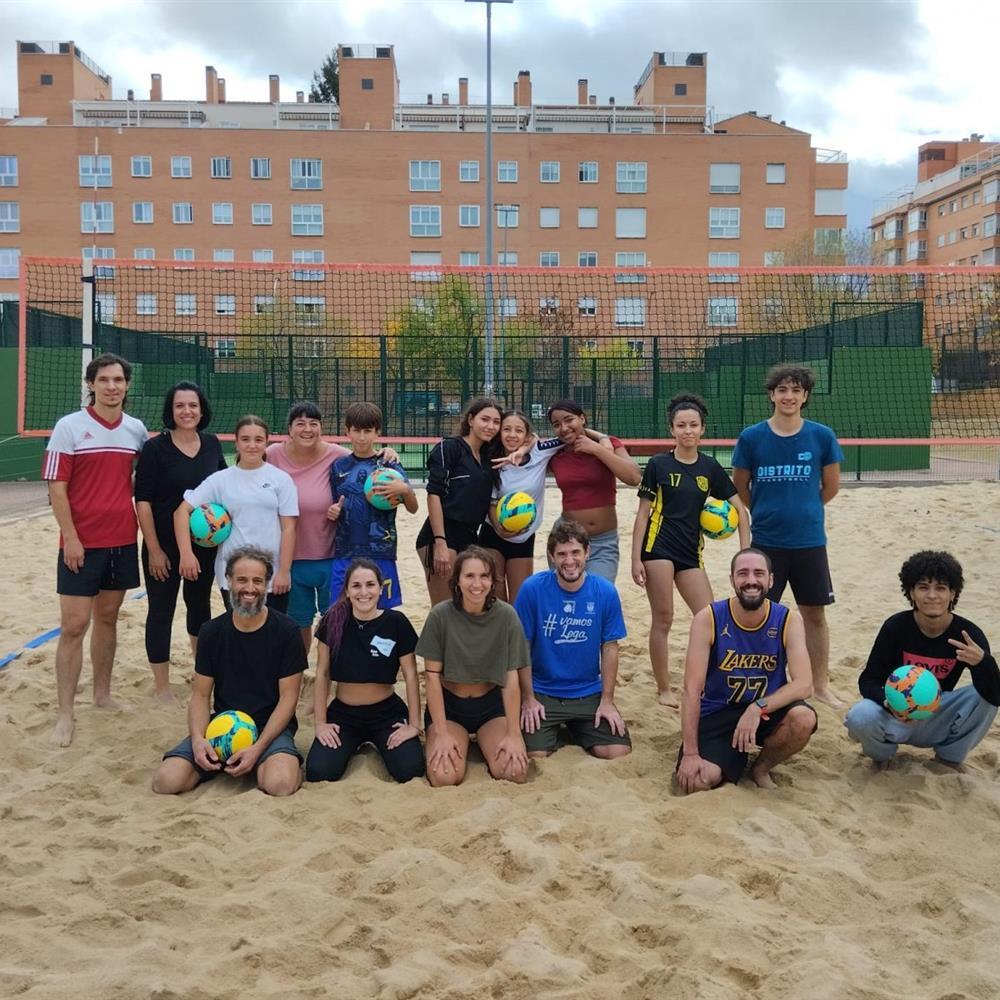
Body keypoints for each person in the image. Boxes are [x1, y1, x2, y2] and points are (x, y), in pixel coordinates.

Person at [42, 352, 148, 746]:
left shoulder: (136, 430)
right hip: (80, 543)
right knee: (73, 626)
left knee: (107, 618)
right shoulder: (69, 427)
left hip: (121, 539)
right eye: (104, 379)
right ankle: (65, 714)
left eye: (118, 380)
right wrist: (70, 537)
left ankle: (101, 695)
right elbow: (57, 488)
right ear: (91, 384)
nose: (111, 386)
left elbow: (143, 482)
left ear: (127, 385)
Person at [731, 364, 844, 708]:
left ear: (805, 396)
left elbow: (831, 487)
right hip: (766, 542)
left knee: (814, 614)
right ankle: (762, 681)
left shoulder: (821, 436)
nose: (788, 396)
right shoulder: (752, 437)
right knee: (760, 614)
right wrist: (768, 511)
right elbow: (740, 488)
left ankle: (818, 684)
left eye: (796, 390)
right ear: (771, 395)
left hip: (809, 541)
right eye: (782, 390)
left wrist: (804, 508)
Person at [151, 546, 306, 796]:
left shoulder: (286, 631)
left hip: (268, 728)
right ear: (228, 581)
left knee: (280, 785)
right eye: (241, 580)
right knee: (166, 782)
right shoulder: (211, 632)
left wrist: (258, 748)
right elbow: (201, 696)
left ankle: (271, 763)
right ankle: (218, 762)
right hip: (223, 726)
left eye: (257, 581)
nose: (249, 588)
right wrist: (199, 740)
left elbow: (289, 699)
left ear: (266, 585)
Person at [631, 393, 749, 708]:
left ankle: (708, 682)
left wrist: (745, 559)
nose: (687, 430)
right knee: (664, 618)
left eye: (693, 425)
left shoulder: (710, 467)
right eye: (681, 425)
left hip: (690, 553)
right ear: (672, 429)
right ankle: (663, 689)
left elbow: (741, 513)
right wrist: (636, 559)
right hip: (657, 549)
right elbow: (643, 514)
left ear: (702, 429)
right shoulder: (658, 464)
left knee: (709, 617)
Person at [676, 548, 816, 792]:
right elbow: (691, 689)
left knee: (803, 719)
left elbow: (804, 684)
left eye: (759, 573)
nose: (751, 580)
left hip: (766, 710)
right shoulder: (708, 618)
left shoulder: (787, 620)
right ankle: (729, 755)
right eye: (743, 574)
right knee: (697, 782)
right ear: (732, 580)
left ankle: (761, 767)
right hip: (719, 711)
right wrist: (690, 753)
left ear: (771, 580)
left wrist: (758, 707)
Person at [844, 550, 999, 771]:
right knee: (860, 716)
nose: (932, 595)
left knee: (983, 696)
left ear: (953, 593)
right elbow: (868, 680)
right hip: (896, 714)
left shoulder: (968, 635)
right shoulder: (895, 627)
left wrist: (983, 662)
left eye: (941, 588)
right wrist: (889, 705)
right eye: (923, 587)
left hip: (937, 714)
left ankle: (949, 758)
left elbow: (993, 696)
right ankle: (882, 756)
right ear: (911, 592)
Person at [135, 381, 226, 703]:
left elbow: (223, 491)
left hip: (203, 546)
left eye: (193, 405)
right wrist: (155, 549)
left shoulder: (212, 444)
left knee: (199, 606)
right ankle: (162, 687)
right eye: (180, 406)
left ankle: (201, 673)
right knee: (161, 609)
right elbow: (142, 500)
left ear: (202, 410)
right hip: (164, 544)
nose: (187, 411)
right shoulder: (155, 448)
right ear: (170, 411)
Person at [514, 521, 631, 759]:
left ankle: (578, 728)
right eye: (562, 554)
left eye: (575, 552)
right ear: (551, 557)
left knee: (617, 751)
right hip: (542, 691)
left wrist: (607, 701)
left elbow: (610, 648)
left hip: (587, 691)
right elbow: (521, 646)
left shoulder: (605, 592)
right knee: (536, 753)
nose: (569, 561)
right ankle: (559, 728)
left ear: (587, 552)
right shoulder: (532, 589)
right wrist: (528, 699)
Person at [417, 546, 530, 786]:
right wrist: (442, 733)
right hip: (450, 708)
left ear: (492, 581)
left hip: (491, 707)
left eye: (484, 576)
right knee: (443, 776)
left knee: (514, 772)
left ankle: (485, 741)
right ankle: (457, 739)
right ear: (457, 581)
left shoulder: (507, 616)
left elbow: (511, 680)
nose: (476, 584)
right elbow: (432, 678)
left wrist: (514, 733)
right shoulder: (440, 616)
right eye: (469, 576)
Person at [305, 559, 424, 784]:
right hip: (344, 715)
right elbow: (322, 674)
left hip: (386, 713)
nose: (364, 592)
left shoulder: (396, 622)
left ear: (380, 589)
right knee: (319, 772)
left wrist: (414, 725)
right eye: (356, 586)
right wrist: (321, 723)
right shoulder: (333, 621)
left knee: (410, 769)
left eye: (370, 585)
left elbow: (411, 675)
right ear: (348, 591)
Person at [481, 409, 611, 603]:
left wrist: (602, 436)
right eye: (506, 429)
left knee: (521, 597)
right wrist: (500, 529)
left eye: (518, 430)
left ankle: (516, 634)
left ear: (526, 436)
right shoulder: (491, 459)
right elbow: (491, 503)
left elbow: (572, 434)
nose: (512, 435)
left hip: (523, 535)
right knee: (494, 591)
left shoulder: (540, 451)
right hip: (494, 531)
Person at [175, 415, 297, 615]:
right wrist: (186, 554)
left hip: (271, 573)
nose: (252, 445)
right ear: (236, 442)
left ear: (266, 442)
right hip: (233, 573)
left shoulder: (281, 480)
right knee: (239, 635)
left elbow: (289, 527)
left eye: (258, 440)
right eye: (245, 439)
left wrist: (284, 571)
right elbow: (181, 512)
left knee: (272, 638)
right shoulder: (221, 480)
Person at [327, 402, 417, 613]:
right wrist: (333, 512)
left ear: (377, 432)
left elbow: (413, 508)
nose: (362, 437)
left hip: (381, 551)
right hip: (345, 551)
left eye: (368, 431)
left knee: (382, 612)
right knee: (340, 612)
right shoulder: (339, 466)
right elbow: (335, 504)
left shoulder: (389, 465)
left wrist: (404, 489)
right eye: (357, 431)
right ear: (347, 431)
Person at [416, 397, 503, 606]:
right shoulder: (451, 448)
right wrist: (440, 542)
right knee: (445, 610)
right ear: (471, 420)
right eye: (485, 419)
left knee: (468, 607)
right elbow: (434, 494)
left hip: (471, 537)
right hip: (442, 534)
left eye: (496, 422)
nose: (491, 426)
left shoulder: (488, 457)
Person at [547, 400, 641, 583]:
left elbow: (634, 477)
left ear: (582, 418)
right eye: (556, 425)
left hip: (602, 541)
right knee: (565, 595)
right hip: (565, 538)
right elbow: (529, 445)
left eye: (569, 420)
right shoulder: (554, 452)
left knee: (599, 594)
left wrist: (597, 448)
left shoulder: (608, 445)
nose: (564, 428)